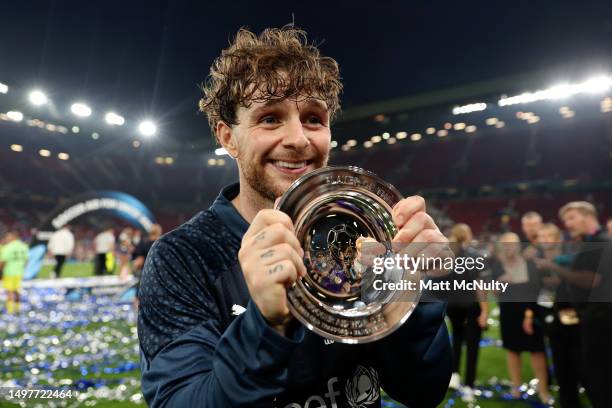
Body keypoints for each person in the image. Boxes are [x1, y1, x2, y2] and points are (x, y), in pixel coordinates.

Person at [138, 26, 452, 407]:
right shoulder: (184, 256)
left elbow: (423, 392)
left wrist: (416, 297)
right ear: (227, 138)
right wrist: (263, 326)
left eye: (314, 119)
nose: (299, 139)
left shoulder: (363, 239)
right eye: (270, 118)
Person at [534, 202, 612, 408]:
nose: (567, 224)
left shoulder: (601, 241)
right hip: (588, 316)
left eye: (572, 218)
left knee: (596, 373)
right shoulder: (590, 242)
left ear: (588, 215)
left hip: (599, 318)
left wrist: (554, 267)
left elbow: (591, 280)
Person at [492, 232, 552, 404]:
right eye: (505, 244)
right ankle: (516, 387)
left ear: (518, 245)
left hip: (531, 311)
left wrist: (529, 314)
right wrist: (500, 282)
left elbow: (537, 290)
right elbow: (494, 292)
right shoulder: (497, 265)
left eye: (512, 244)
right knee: (512, 350)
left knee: (537, 351)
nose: (509, 247)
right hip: (509, 312)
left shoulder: (531, 264)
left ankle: (543, 390)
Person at [533, 223, 584, 408]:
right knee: (559, 361)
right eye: (542, 236)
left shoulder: (570, 258)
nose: (545, 240)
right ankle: (568, 400)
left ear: (557, 238)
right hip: (548, 314)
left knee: (579, 358)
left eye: (549, 236)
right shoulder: (536, 261)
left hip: (572, 313)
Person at [444, 224, 488, 403]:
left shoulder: (447, 257)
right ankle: (469, 385)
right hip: (471, 307)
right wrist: (485, 310)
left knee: (456, 339)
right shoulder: (474, 256)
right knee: (472, 347)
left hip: (452, 306)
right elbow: (480, 287)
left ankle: (454, 375)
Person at [131, 224, 162, 311]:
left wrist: (133, 269)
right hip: (159, 274)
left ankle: (137, 316)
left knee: (138, 297)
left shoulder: (144, 244)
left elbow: (139, 262)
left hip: (146, 273)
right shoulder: (162, 243)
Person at [0, 231, 29, 314]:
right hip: (19, 272)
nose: (6, 238)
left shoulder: (8, 247)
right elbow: (26, 260)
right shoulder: (24, 246)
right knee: (17, 291)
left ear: (13, 237)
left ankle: (10, 311)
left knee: (9, 291)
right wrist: (22, 269)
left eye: (8, 237)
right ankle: (17, 309)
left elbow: (3, 261)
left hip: (9, 272)